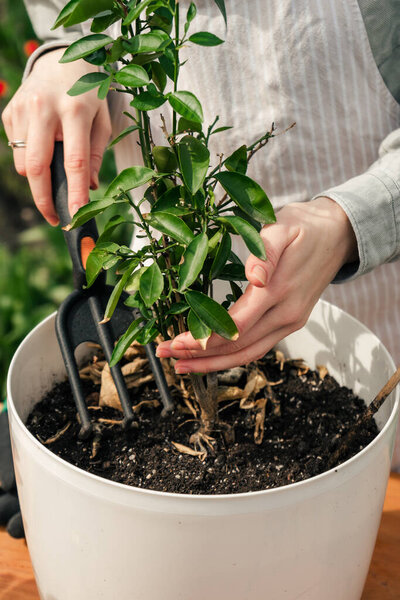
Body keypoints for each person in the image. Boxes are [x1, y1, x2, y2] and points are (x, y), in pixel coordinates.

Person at [3, 1, 400, 425]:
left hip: (375, 324)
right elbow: (64, 22)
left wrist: (349, 222)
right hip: (166, 295)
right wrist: (65, 56)